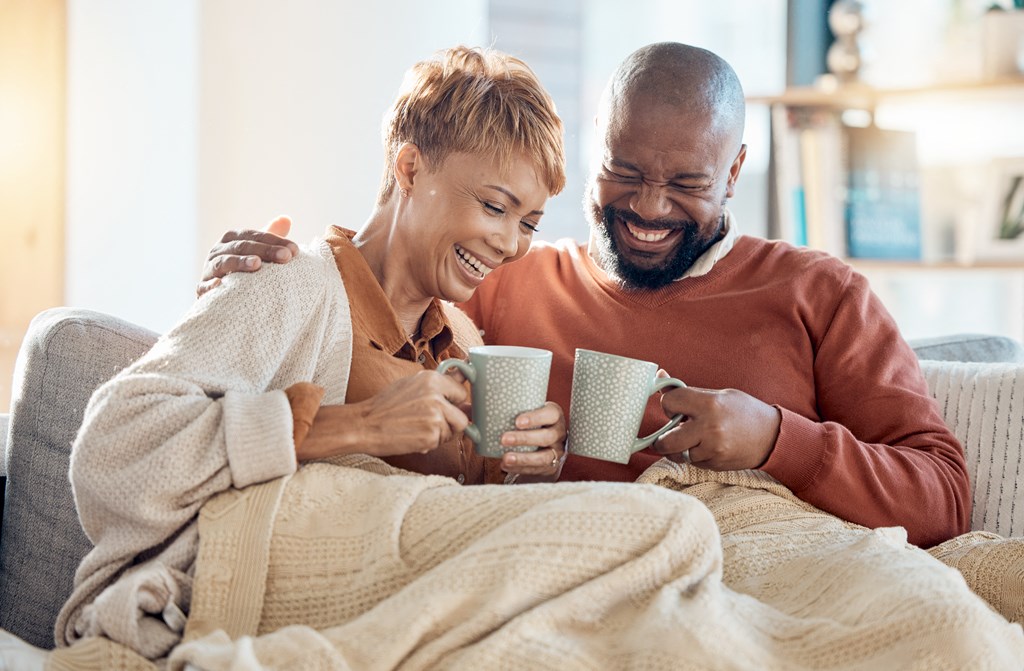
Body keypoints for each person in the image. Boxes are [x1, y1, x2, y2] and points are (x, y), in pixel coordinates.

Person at [203, 42, 969, 550]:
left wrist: (776, 437)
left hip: (756, 573)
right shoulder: (504, 276)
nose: (649, 206)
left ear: (734, 173)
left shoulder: (820, 294)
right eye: (625, 171)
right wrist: (278, 264)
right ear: (595, 147)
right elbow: (387, 292)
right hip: (557, 570)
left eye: (688, 183)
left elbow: (944, 496)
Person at [52, 45, 568, 659]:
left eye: (530, 223)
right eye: (494, 206)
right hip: (254, 607)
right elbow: (114, 447)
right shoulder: (288, 282)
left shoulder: (463, 340)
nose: (511, 244)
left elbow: (460, 541)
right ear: (409, 169)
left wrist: (523, 464)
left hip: (412, 625)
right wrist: (357, 426)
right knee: (670, 530)